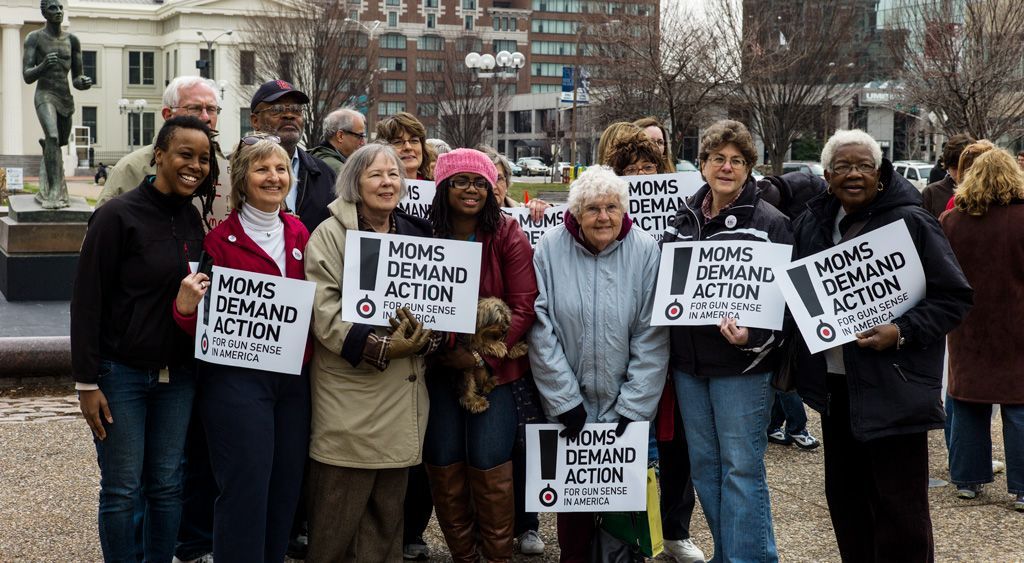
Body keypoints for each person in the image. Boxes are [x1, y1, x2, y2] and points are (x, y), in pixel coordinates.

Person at [792, 129, 972, 561]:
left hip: (896, 386)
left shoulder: (911, 221)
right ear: (827, 174)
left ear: (879, 173)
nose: (854, 174)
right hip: (836, 390)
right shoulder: (811, 224)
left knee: (901, 510)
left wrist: (901, 331)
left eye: (864, 166)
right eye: (844, 167)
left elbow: (955, 297)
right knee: (847, 503)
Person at [71, 116, 218, 562]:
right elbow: (86, 301)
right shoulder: (116, 216)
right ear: (159, 156)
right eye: (185, 154)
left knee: (169, 484)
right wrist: (86, 383)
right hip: (122, 375)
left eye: (204, 158)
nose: (195, 165)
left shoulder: (194, 218)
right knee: (122, 488)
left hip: (179, 377)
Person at [169, 134, 311, 562]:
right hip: (236, 382)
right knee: (245, 486)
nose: (274, 177)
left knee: (285, 486)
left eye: (281, 169)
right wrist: (185, 309)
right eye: (262, 169)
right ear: (242, 179)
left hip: (293, 381)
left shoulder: (301, 232)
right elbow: (205, 321)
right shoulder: (217, 243)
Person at [301, 143, 438, 562]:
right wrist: (381, 346)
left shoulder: (416, 232)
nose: (387, 183)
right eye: (376, 175)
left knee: (386, 515)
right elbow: (323, 313)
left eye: (394, 174)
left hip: (402, 396)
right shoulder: (329, 234)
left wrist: (429, 334)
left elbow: (438, 301)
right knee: (336, 515)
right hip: (352, 393)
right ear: (354, 182)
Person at [662, 120, 790, 562]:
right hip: (689, 365)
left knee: (742, 469)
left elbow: (783, 306)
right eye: (718, 158)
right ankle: (732, 553)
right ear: (702, 165)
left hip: (742, 368)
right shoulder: (683, 219)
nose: (726, 167)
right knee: (706, 470)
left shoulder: (770, 222)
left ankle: (748, 558)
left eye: (737, 161)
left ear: (749, 169)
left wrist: (751, 336)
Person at [528, 165, 667, 561]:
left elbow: (652, 335)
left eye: (611, 207)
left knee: (627, 510)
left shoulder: (644, 249)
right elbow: (541, 329)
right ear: (576, 213)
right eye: (592, 208)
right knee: (574, 508)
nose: (603, 216)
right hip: (570, 405)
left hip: (626, 402)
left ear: (624, 209)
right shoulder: (550, 248)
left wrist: (635, 406)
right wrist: (563, 400)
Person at [424, 148, 538, 563]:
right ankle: (463, 556)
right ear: (443, 187)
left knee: (490, 461)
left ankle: (495, 556)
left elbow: (524, 306)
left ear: (491, 189)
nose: (471, 190)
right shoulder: (424, 234)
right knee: (443, 459)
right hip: (438, 369)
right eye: (460, 181)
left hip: (495, 370)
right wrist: (445, 353)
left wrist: (479, 359)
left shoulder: (508, 234)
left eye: (480, 182)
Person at [940, 148, 1024, 511]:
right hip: (1018, 326)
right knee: (1020, 408)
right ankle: (1022, 489)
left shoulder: (951, 221)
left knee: (968, 404)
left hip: (968, 328)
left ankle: (967, 480)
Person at [96, 76, 227, 222]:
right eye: (195, 108)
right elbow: (103, 231)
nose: (205, 117)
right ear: (168, 115)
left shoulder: (225, 168)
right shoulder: (130, 168)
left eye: (211, 109)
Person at [22, 0, 92, 209]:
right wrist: (43, 66)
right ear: (44, 13)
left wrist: (84, 82)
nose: (59, 11)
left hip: (65, 97)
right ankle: (53, 191)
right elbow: (27, 75)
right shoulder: (34, 38)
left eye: (61, 7)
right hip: (45, 94)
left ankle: (48, 156)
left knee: (59, 142)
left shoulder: (72, 41)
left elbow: (77, 78)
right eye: (53, 8)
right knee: (52, 136)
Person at [250, 79, 336, 236]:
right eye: (277, 109)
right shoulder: (235, 172)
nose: (289, 115)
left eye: (297, 110)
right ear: (255, 121)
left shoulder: (325, 175)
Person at [921, 134, 974, 219]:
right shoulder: (931, 193)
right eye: (954, 168)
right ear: (947, 166)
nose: (960, 174)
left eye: (965, 168)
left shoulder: (982, 193)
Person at [376, 112, 436, 181]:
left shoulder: (435, 188)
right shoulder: (375, 189)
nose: (408, 147)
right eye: (398, 142)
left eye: (414, 140)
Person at [309, 107, 366, 175]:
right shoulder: (341, 172)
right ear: (340, 136)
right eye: (359, 136)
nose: (363, 142)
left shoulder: (313, 158)